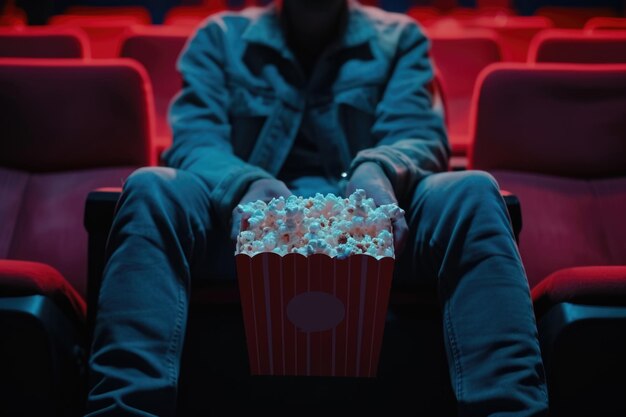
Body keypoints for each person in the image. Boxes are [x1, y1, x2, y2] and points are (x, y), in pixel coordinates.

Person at [85, 0, 549, 415]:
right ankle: (124, 409)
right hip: (243, 226)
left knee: (472, 190)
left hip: (374, 228)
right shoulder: (220, 36)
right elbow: (194, 141)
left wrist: (377, 172)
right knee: (151, 186)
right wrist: (249, 183)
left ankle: (507, 408)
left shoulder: (399, 37)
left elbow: (419, 135)